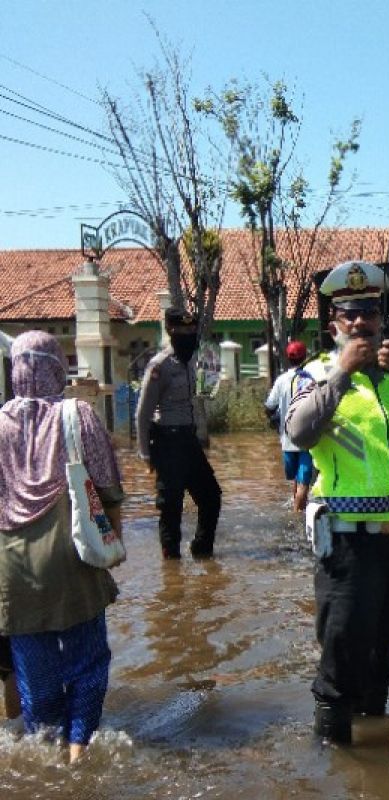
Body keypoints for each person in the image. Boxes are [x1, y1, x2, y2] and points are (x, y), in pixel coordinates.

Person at [285, 260, 389, 745]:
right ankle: (335, 756)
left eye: (369, 314)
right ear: (333, 320)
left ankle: (376, 750)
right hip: (348, 544)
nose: (361, 324)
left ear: (381, 317)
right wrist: (340, 375)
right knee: (342, 652)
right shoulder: (314, 374)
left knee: (385, 648)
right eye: (349, 315)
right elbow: (298, 431)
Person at [0, 331, 125, 762]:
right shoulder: (78, 415)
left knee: (34, 673)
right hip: (72, 553)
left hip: (11, 566)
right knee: (87, 661)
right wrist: (114, 543)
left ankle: (45, 752)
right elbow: (107, 489)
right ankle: (79, 751)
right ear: (57, 367)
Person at [135, 307, 222, 559]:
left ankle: (202, 549)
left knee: (211, 497)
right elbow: (142, 414)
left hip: (189, 441)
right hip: (167, 441)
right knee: (170, 507)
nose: (188, 335)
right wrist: (145, 454)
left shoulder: (194, 360)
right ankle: (171, 566)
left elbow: (206, 392)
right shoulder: (160, 366)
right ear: (171, 331)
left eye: (192, 330)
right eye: (182, 331)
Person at [264, 340, 316, 511]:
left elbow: (269, 407)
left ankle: (295, 510)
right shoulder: (311, 380)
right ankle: (296, 520)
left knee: (295, 479)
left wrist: (276, 423)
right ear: (305, 357)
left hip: (287, 440)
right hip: (307, 439)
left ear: (288, 358)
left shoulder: (281, 380)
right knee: (303, 484)